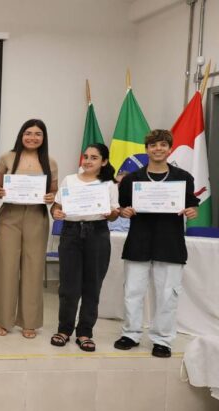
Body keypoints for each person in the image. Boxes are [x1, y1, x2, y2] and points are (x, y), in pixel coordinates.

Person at [114, 129, 199, 358]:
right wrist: (124, 211)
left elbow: (192, 205)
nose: (158, 149)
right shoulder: (132, 179)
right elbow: (122, 207)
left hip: (170, 242)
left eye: (162, 145)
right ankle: (130, 334)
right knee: (132, 291)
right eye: (153, 145)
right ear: (147, 149)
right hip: (138, 241)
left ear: (169, 149)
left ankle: (162, 340)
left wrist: (192, 211)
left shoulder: (183, 178)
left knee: (167, 294)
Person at [49, 143, 119, 351]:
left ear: (104, 162)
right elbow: (57, 206)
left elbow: (114, 214)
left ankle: (85, 332)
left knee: (92, 285)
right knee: (68, 285)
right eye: (86, 156)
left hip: (97, 232)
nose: (88, 161)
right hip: (71, 233)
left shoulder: (109, 184)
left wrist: (111, 213)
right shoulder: (69, 180)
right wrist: (56, 212)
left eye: (94, 158)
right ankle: (64, 329)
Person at [0, 119, 58, 338]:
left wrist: (51, 197)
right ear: (21, 135)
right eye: (28, 133)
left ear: (43, 137)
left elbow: (54, 191)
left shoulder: (50, 161)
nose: (32, 137)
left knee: (33, 267)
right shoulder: (7, 158)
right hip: (10, 215)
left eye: (38, 134)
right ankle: (3, 319)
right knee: (6, 267)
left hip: (37, 216)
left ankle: (29, 322)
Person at [108, 153, 148, 232]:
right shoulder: (106, 202)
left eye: (122, 184)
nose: (117, 186)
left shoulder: (139, 206)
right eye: (115, 182)